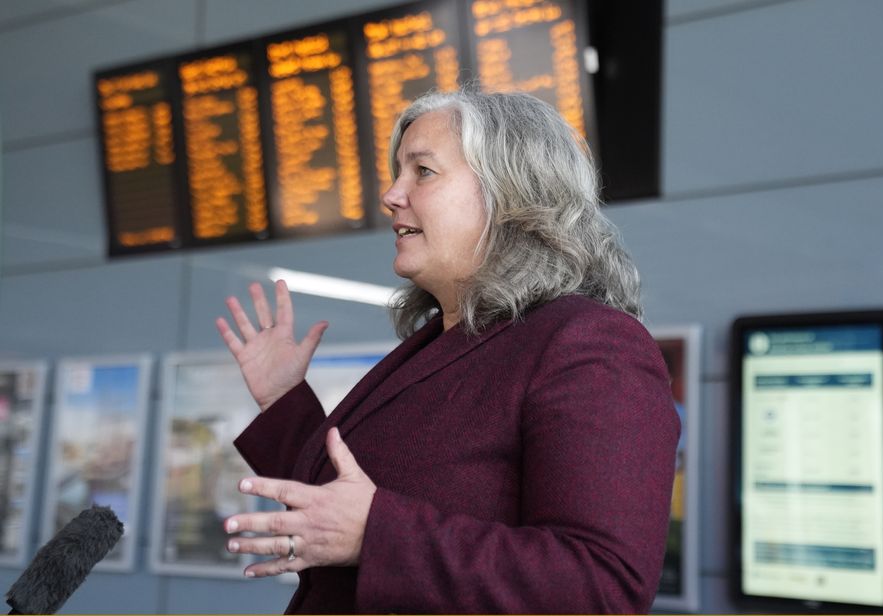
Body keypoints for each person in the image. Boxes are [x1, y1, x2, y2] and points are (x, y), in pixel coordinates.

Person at [216, 89, 679, 614]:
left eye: (423, 172)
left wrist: (378, 535)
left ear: (512, 193)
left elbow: (603, 587)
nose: (392, 194)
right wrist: (282, 400)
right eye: (397, 173)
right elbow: (342, 507)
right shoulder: (438, 344)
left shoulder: (588, 343)